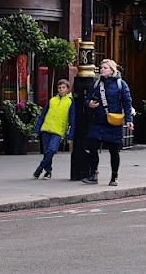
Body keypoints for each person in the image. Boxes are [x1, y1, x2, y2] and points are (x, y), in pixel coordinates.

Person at [83, 58, 133, 186]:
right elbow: (87, 99)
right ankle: (93, 174)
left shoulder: (121, 84)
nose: (102, 70)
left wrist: (129, 120)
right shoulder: (96, 84)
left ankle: (114, 176)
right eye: (101, 67)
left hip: (113, 122)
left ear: (112, 70)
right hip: (98, 121)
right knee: (92, 147)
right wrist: (89, 104)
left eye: (105, 68)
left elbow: (127, 103)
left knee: (114, 151)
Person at [32, 79, 76, 179]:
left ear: (68, 89)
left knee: (52, 150)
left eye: (63, 88)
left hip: (58, 130)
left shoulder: (70, 101)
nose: (61, 90)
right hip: (46, 128)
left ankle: (40, 167)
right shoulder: (52, 100)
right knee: (47, 151)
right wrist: (37, 129)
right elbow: (43, 115)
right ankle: (48, 171)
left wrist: (70, 134)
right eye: (59, 88)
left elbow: (72, 118)